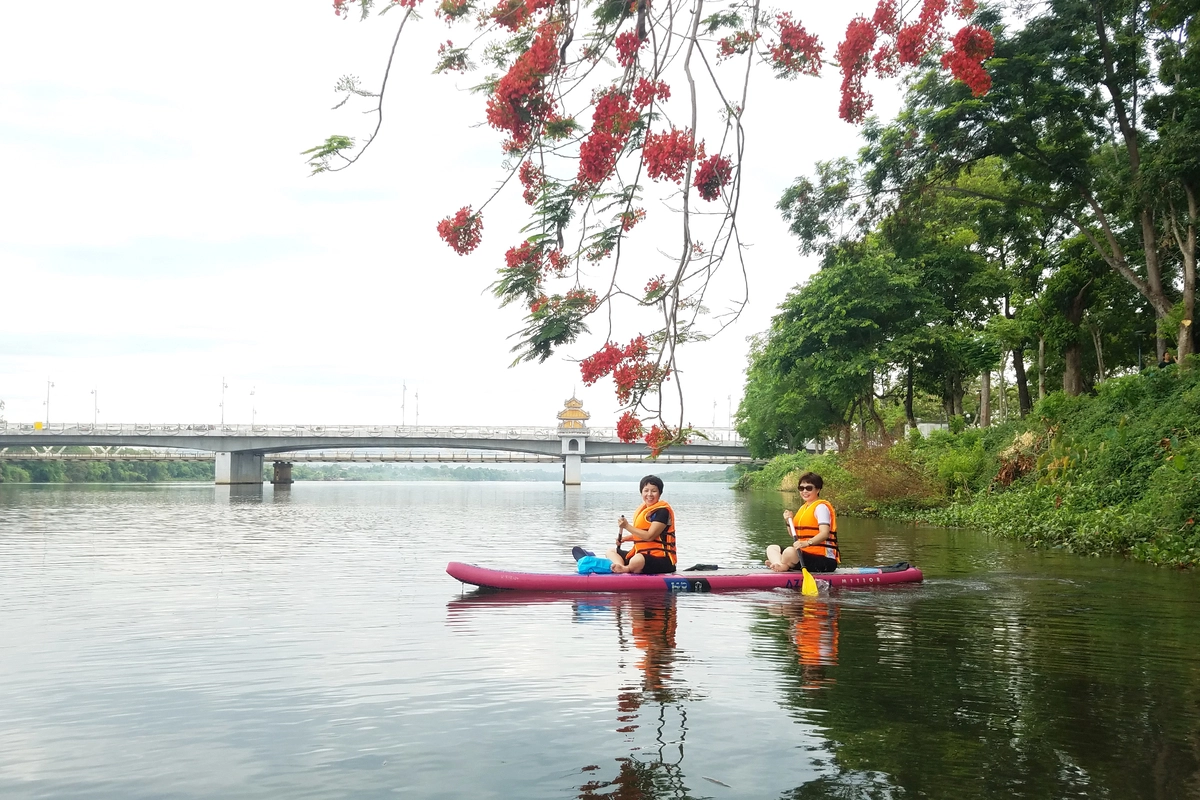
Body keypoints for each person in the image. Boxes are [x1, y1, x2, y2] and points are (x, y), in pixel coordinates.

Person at [765, 471, 839, 573]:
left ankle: (782, 564)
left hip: (824, 560)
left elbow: (825, 533)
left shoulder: (821, 507)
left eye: (809, 488)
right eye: (801, 488)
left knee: (789, 552)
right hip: (803, 555)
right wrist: (788, 521)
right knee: (772, 548)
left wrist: (807, 543)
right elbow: (793, 534)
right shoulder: (803, 508)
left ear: (817, 489)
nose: (804, 491)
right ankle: (782, 564)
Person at [605, 475, 676, 574]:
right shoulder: (644, 510)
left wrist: (627, 526)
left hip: (663, 560)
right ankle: (620, 566)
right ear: (641, 493)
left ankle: (627, 569)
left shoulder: (662, 512)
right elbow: (642, 533)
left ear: (660, 493)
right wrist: (625, 539)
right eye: (646, 491)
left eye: (654, 491)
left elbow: (650, 536)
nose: (649, 494)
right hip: (642, 555)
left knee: (637, 559)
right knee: (611, 551)